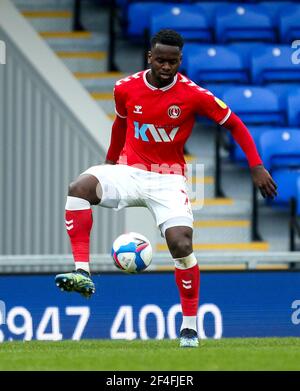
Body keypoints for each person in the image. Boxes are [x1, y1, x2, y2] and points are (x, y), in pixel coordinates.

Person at [55, 29, 277, 348]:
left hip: (168, 178)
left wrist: (256, 166)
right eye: (160, 60)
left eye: (172, 61)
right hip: (129, 171)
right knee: (79, 187)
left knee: (181, 245)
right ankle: (81, 272)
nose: (166, 67)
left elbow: (234, 123)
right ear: (150, 57)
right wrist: (109, 164)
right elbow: (120, 124)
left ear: (180, 61)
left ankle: (189, 328)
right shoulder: (125, 88)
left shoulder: (193, 94)